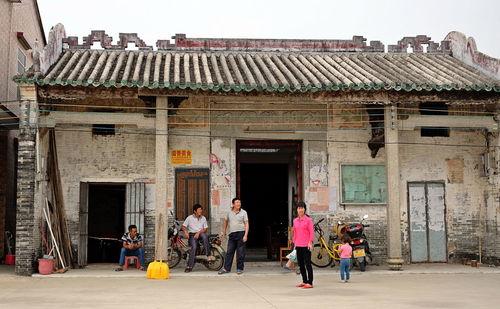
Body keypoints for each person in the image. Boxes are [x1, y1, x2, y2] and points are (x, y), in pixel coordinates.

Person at [218, 197, 249, 275]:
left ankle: (239, 268)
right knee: (229, 252)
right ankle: (226, 268)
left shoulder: (243, 212)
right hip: (232, 234)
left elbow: (246, 224)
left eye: (240, 202)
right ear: (233, 204)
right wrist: (223, 232)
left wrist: (245, 235)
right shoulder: (229, 212)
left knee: (240, 252)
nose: (239, 204)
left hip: (241, 233)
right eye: (237, 202)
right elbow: (225, 222)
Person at [181, 204, 214, 273]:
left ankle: (208, 255)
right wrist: (186, 231)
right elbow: (183, 226)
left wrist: (198, 232)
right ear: (194, 211)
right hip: (192, 235)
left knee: (205, 236)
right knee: (194, 247)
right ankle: (189, 266)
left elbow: (205, 229)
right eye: (199, 210)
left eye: (201, 210)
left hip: (200, 233)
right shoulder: (189, 218)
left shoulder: (203, 218)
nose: (200, 211)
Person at [293, 202, 314, 288]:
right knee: (301, 264)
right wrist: (294, 243)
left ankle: (310, 282)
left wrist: (310, 242)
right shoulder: (295, 220)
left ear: (304, 209)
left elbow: (311, 232)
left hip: (306, 245)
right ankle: (304, 281)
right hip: (298, 244)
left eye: (302, 208)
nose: (300, 210)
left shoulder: (308, 220)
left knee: (307, 264)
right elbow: (295, 232)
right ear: (297, 210)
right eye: (299, 208)